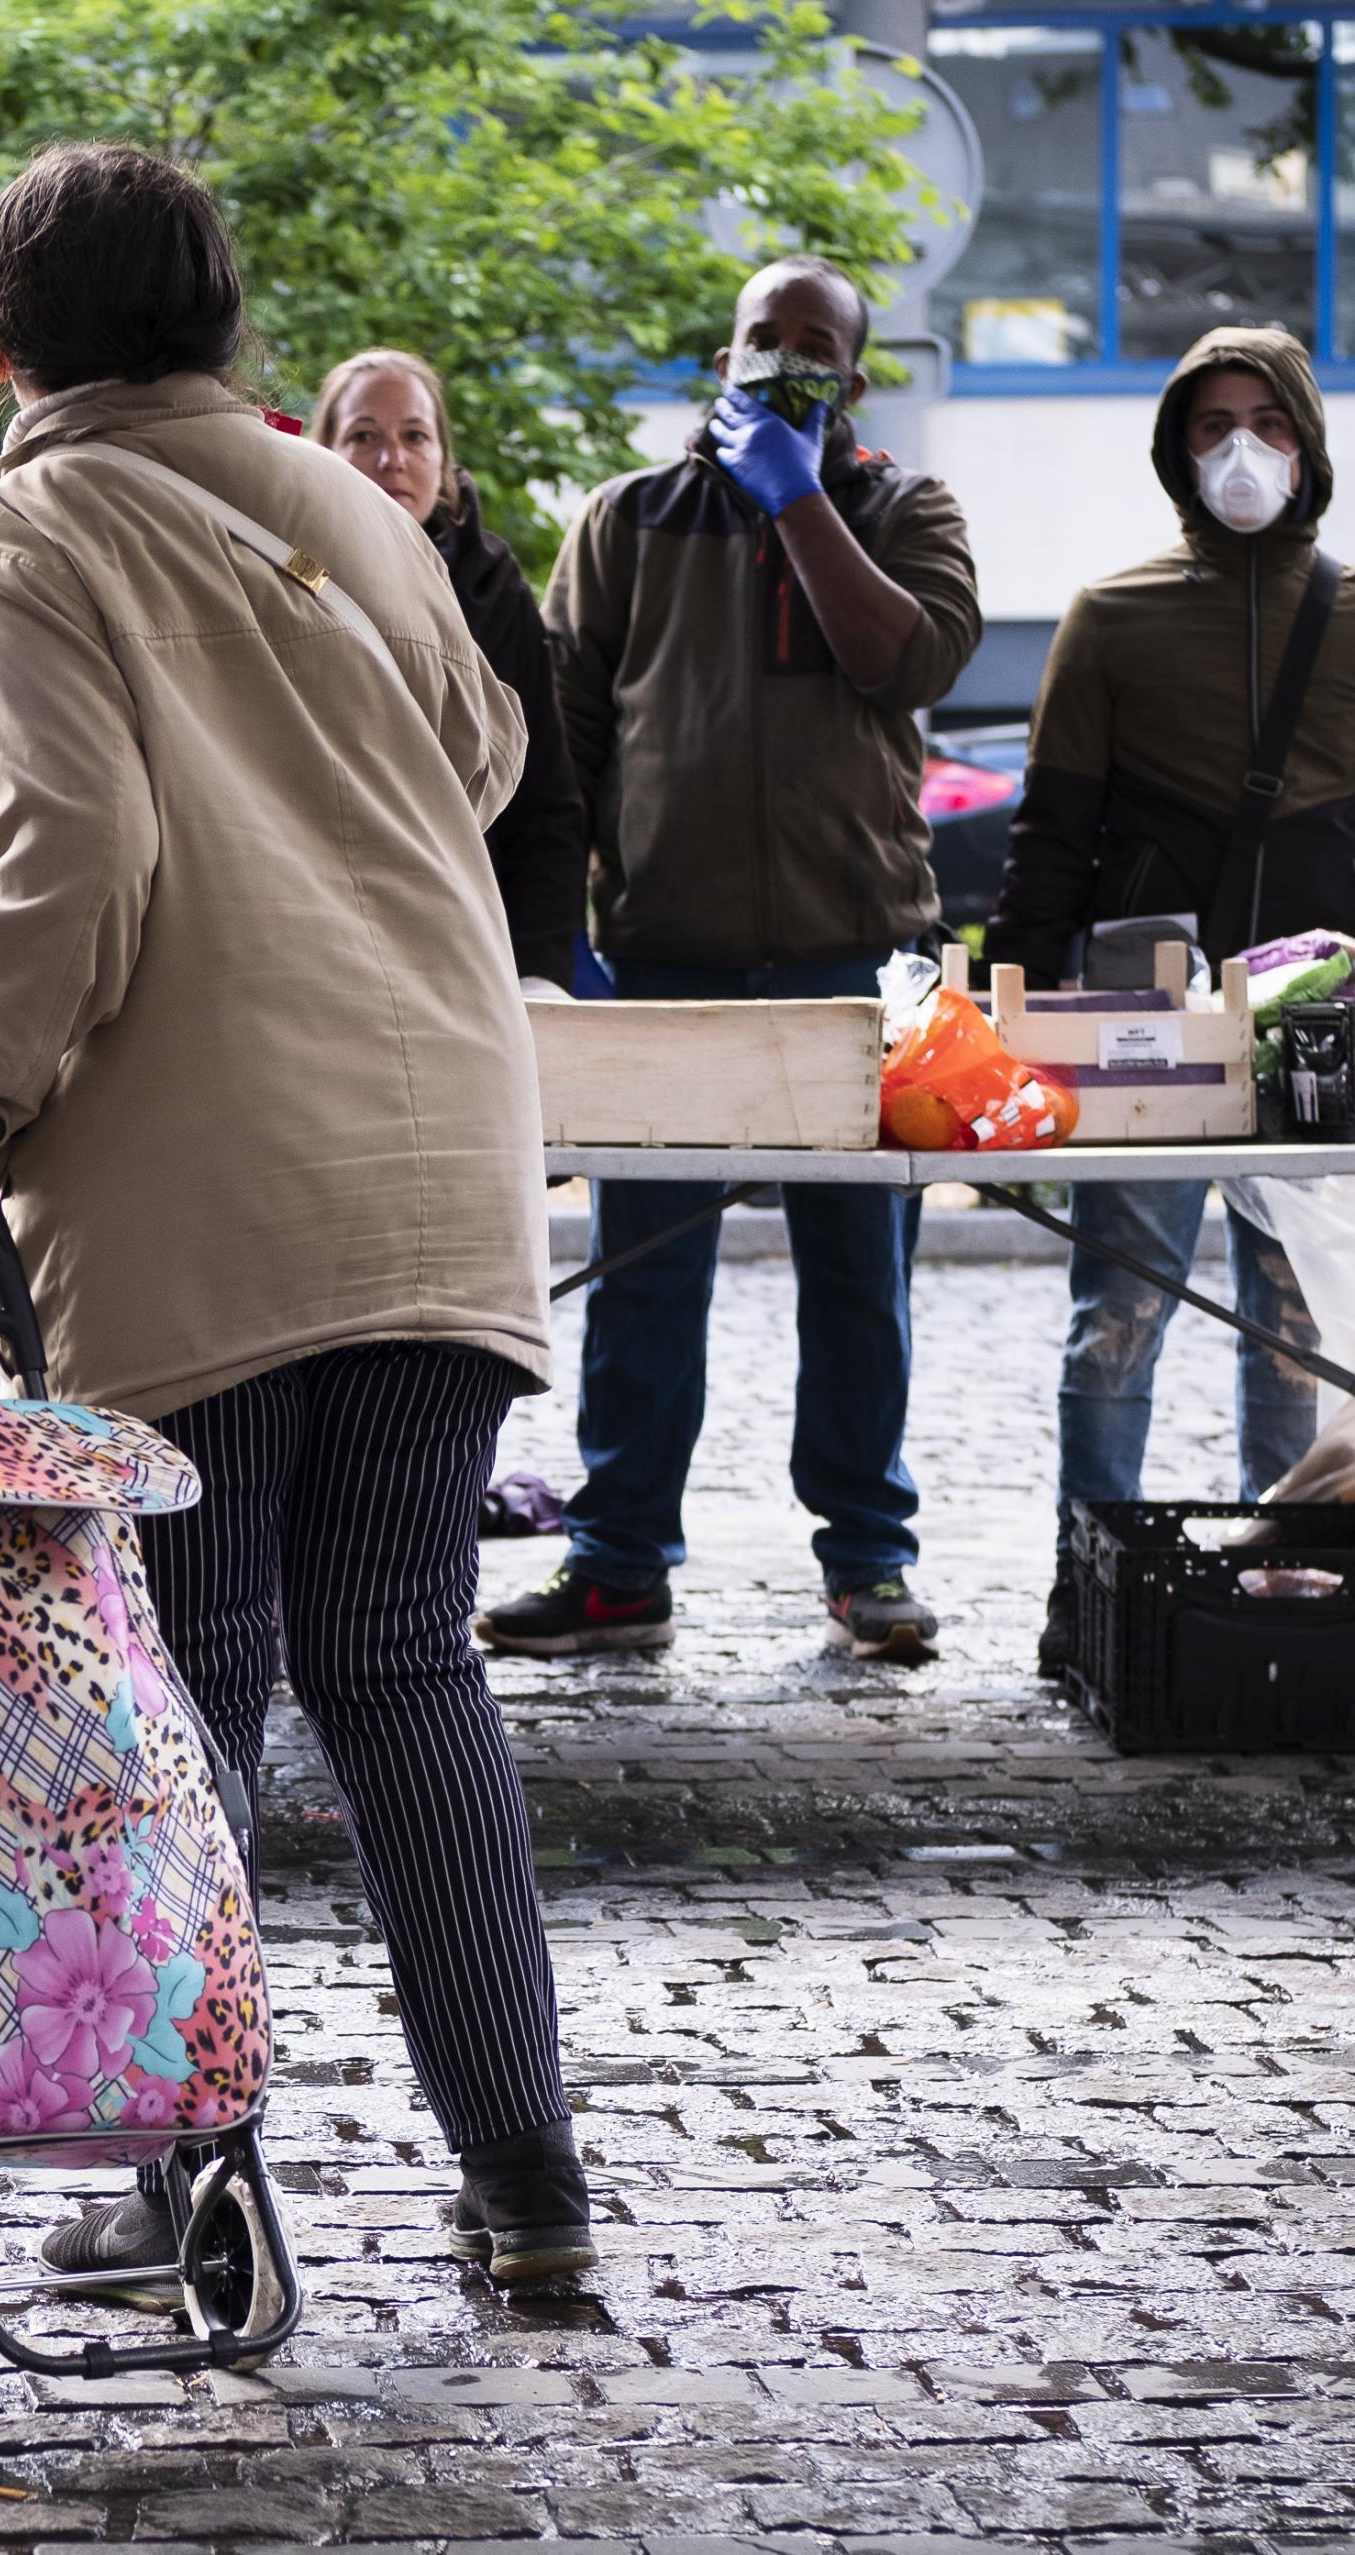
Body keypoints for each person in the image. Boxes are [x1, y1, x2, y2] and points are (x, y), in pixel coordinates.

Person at [0, 141, 590, 2287]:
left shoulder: (17, 539)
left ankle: (184, 2181)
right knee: (409, 1665)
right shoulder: (341, 497)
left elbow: (61, 869)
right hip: (441, 1163)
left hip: (205, 1202)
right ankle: (530, 2193)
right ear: (235, 327)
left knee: (204, 1682)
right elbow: (485, 751)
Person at [485, 256, 982, 1668]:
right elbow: (567, 731)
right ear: (721, 356)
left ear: (858, 377)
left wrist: (801, 498)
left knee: (861, 1276)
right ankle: (618, 1559)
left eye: (815, 345)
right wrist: (564, 928)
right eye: (762, 341)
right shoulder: (629, 521)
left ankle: (870, 1560)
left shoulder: (907, 512)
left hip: (866, 949)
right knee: (645, 1271)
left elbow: (909, 660)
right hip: (667, 954)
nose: (782, 362)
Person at [986, 328, 1338, 1675]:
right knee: (1118, 1317)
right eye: (1210, 424)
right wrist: (1003, 1022)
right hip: (1140, 1031)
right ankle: (1095, 1596)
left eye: (1265, 420)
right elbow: (1050, 836)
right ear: (1174, 448)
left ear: (1306, 438)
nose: (1240, 448)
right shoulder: (1111, 616)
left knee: (1298, 1324)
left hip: (1320, 1036)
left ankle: (1299, 1589)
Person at [308, 348, 587, 994]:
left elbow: (544, 801)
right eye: (364, 436)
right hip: (325, 950)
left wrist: (540, 972)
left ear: (443, 460)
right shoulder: (284, 575)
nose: (392, 459)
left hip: (469, 951)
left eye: (414, 436)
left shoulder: (495, 587)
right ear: (321, 452)